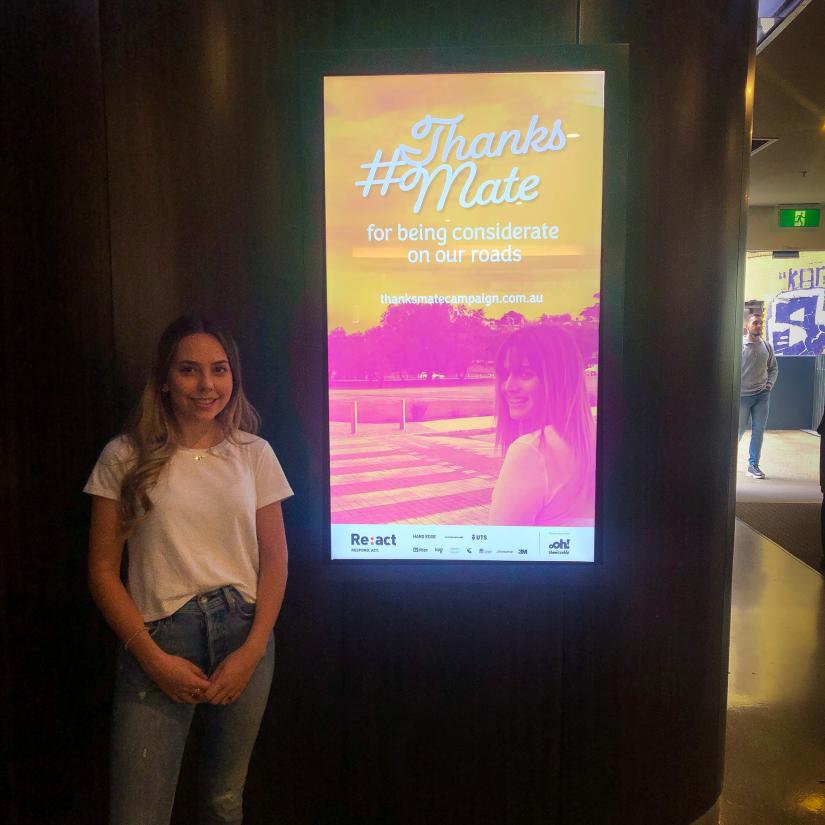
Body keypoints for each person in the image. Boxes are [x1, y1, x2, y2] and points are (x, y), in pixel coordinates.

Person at [85, 315, 292, 825]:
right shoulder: (123, 456)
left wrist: (252, 651)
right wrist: (152, 659)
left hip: (244, 634)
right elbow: (102, 570)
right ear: (164, 378)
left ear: (233, 378)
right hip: (158, 640)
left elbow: (277, 561)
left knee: (223, 802)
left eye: (219, 370)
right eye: (189, 370)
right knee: (138, 813)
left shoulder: (254, 454)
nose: (207, 385)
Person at [489, 323, 596, 526]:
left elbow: (500, 550)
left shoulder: (531, 451)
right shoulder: (597, 441)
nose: (508, 387)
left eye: (525, 374)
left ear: (557, 379)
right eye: (505, 375)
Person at [739, 311, 778, 479]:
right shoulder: (738, 346)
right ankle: (726, 463)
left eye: (760, 323)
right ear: (746, 326)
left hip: (762, 395)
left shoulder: (767, 346)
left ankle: (753, 465)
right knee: (738, 431)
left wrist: (769, 386)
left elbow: (774, 369)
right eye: (755, 323)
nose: (758, 326)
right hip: (741, 397)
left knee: (758, 431)